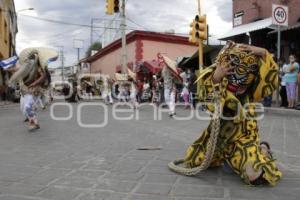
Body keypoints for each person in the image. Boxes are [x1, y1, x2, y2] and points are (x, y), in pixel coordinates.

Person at [169, 42, 282, 186]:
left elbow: (271, 80)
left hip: (244, 140)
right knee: (192, 160)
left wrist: (264, 52)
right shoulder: (218, 82)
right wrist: (216, 78)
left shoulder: (252, 92)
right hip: (219, 140)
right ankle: (230, 158)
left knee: (254, 175)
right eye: (234, 69)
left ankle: (263, 149)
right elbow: (209, 105)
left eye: (249, 70)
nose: (241, 76)